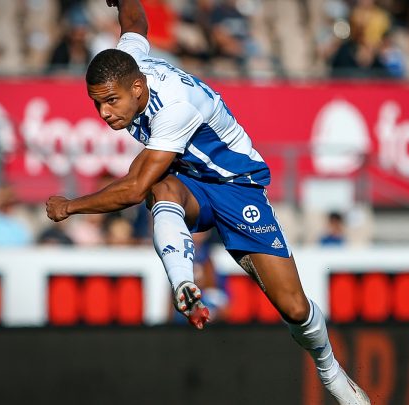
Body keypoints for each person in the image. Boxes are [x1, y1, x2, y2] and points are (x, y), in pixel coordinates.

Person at [45, 1, 370, 403]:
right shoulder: (127, 63)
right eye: (97, 103)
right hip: (192, 182)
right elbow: (135, 22)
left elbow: (130, 189)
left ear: (137, 88)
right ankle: (185, 283)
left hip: (237, 186)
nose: (104, 112)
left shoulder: (173, 108)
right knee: (161, 187)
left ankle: (330, 370)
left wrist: (71, 206)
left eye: (110, 101)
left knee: (294, 309)